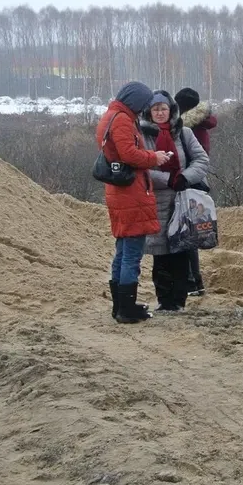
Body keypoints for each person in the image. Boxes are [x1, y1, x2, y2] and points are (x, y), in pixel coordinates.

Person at [96, 81, 173, 324]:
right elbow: (128, 154)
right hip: (130, 193)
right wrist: (154, 157)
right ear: (136, 101)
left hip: (120, 192)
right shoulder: (121, 120)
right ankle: (126, 309)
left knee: (122, 250)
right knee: (131, 253)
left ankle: (120, 305)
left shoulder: (111, 115)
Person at [139, 90, 210, 312]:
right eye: (156, 109)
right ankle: (164, 300)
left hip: (183, 199)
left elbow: (201, 159)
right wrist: (167, 179)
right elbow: (140, 168)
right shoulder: (141, 135)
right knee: (160, 254)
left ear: (171, 110)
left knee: (180, 252)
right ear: (149, 112)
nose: (160, 113)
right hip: (157, 200)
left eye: (164, 108)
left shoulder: (184, 133)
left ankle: (179, 300)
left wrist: (185, 177)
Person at [175, 87, 217, 297]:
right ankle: (195, 282)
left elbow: (192, 157)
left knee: (186, 234)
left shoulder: (188, 129)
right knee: (189, 233)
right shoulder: (201, 124)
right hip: (196, 181)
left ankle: (192, 281)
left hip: (188, 181)